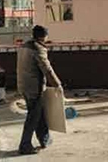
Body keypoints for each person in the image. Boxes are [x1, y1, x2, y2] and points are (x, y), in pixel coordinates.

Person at [17, 25, 62, 155]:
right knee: (33, 116)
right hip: (34, 88)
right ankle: (25, 145)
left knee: (39, 113)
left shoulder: (24, 46)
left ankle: (44, 139)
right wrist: (57, 84)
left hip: (23, 85)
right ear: (44, 36)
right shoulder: (38, 49)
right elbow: (47, 69)